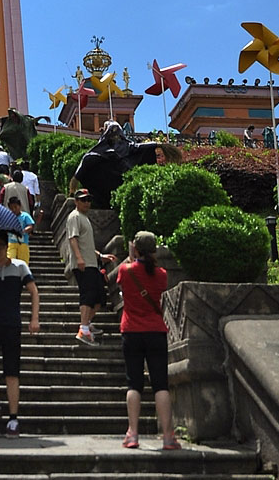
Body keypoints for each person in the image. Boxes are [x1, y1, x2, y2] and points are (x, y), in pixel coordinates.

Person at [117, 230, 180, 450]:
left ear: (135, 248)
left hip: (131, 331)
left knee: (133, 383)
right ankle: (168, 436)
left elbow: (121, 283)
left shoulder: (125, 271)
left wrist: (130, 257)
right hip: (156, 331)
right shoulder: (162, 274)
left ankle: (132, 434)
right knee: (160, 384)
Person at [0, 228, 39, 438]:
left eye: (0, 247)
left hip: (12, 323)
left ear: (6, 247)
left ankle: (13, 418)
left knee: (12, 371)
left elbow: (33, 292)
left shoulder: (20, 267)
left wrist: (34, 318)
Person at [66, 188, 116, 345]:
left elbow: (86, 244)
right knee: (88, 295)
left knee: (99, 298)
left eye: (88, 200)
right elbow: (72, 239)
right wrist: (79, 259)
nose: (86, 202)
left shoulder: (84, 218)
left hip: (91, 263)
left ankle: (87, 324)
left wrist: (100, 256)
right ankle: (83, 329)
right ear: (76, 201)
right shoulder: (74, 216)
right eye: (83, 200)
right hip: (83, 264)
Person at [5, 196, 35, 264]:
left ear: (20, 206)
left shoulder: (25, 216)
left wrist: (23, 231)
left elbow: (30, 226)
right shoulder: (8, 216)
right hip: (11, 242)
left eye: (15, 207)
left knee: (23, 262)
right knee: (10, 260)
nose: (14, 209)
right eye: (12, 208)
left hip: (23, 242)